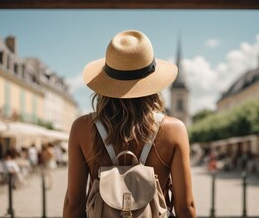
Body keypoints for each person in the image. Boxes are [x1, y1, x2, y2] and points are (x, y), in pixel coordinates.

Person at [63, 30, 196, 218]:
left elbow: (74, 204)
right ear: (153, 80)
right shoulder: (174, 130)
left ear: (106, 81)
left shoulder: (82, 128)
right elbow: (186, 207)